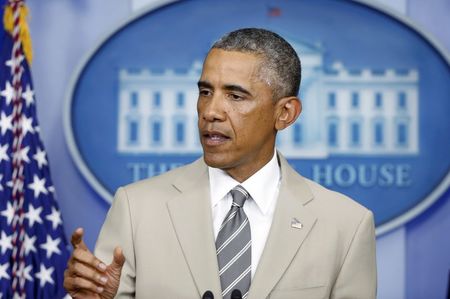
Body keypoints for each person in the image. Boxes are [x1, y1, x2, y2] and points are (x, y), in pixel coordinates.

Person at [64, 28, 377, 299]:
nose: (210, 111)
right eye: (205, 92)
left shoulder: (346, 226)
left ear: (285, 113)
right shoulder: (136, 208)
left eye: (235, 96)